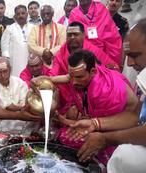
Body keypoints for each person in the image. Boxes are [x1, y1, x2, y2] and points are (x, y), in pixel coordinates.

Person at [60, 18, 146, 173]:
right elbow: (136, 116)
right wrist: (95, 123)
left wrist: (105, 139)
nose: (131, 64)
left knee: (125, 156)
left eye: (135, 55)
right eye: (128, 56)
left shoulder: (105, 87)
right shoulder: (144, 76)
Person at [57, 50, 138, 164]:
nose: (74, 82)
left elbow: (128, 119)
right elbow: (68, 77)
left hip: (124, 128)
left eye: (79, 77)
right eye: (72, 76)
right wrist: (49, 79)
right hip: (108, 122)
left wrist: (95, 125)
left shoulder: (104, 90)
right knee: (64, 135)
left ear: (93, 72)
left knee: (70, 139)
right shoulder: (95, 71)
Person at [49, 22, 118, 113]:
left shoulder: (93, 50)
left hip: (92, 95)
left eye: (76, 34)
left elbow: (114, 68)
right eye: (69, 35)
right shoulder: (61, 53)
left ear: (83, 35)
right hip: (66, 96)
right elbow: (53, 73)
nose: (72, 37)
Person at [0, 57, 39, 135]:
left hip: (21, 114)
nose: (3, 75)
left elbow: (24, 102)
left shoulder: (20, 83)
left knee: (34, 118)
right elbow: (6, 106)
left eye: (5, 71)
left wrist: (24, 108)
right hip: (3, 116)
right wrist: (22, 109)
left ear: (10, 69)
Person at [69, 0, 122, 67]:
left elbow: (112, 37)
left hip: (104, 56)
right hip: (83, 58)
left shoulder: (101, 8)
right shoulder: (74, 14)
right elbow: (73, 40)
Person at [1, 5, 33, 77]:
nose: (20, 16)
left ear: (27, 14)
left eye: (23, 13)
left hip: (30, 60)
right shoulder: (10, 28)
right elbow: (4, 46)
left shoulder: (33, 27)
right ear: (15, 16)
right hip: (14, 62)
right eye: (18, 14)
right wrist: (7, 61)